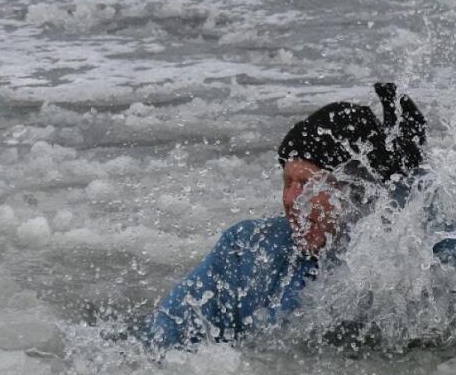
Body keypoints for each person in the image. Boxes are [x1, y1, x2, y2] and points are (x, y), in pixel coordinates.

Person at [141, 82, 433, 349]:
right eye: (287, 182)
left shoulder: (421, 254)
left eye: (307, 184)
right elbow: (163, 337)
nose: (291, 200)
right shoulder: (246, 249)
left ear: (357, 190)